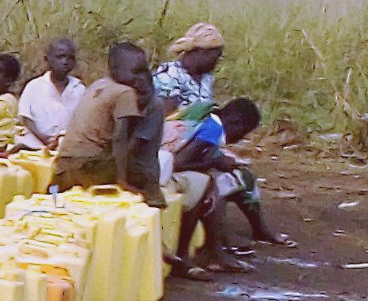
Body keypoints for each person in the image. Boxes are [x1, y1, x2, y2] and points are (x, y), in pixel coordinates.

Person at [167, 97, 270, 274]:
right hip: (162, 172)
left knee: (213, 181)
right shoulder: (213, 129)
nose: (238, 139)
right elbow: (176, 163)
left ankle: (215, 250)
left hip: (157, 165)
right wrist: (215, 164)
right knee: (212, 186)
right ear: (235, 122)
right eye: (243, 133)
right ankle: (207, 253)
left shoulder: (206, 115)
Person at [53, 41, 155, 195]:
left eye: (143, 71)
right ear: (115, 69)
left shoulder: (99, 84)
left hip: (64, 161)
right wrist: (121, 179)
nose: (140, 77)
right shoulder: (125, 93)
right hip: (88, 166)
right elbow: (120, 139)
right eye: (135, 71)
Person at [19, 36, 87, 149]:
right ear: (47, 60)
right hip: (34, 144)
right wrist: (44, 139)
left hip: (66, 145)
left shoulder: (80, 89)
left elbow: (83, 120)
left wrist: (62, 139)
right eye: (60, 57)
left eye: (70, 58)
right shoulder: (34, 86)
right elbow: (26, 118)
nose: (65, 62)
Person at [156, 23, 224, 129]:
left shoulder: (206, 78)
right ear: (199, 53)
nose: (218, 60)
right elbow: (165, 116)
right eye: (216, 55)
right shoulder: (169, 74)